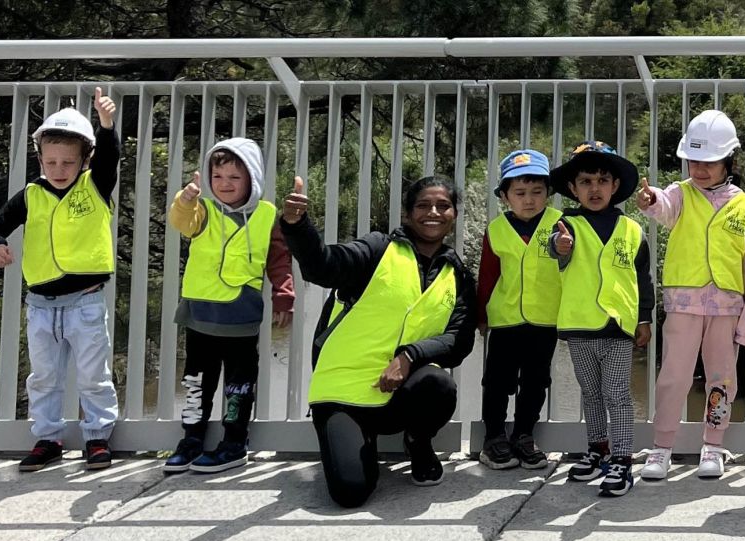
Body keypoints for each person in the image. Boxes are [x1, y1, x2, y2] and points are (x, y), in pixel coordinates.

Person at [280, 175, 476, 507]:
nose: (433, 212)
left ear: (454, 215)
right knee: (350, 493)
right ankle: (359, 442)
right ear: (407, 213)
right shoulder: (377, 249)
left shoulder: (457, 275)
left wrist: (410, 356)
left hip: (397, 395)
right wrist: (297, 226)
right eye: (423, 205)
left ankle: (417, 441)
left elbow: (459, 340)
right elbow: (323, 267)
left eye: (443, 206)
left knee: (439, 385)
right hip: (343, 393)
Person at [0, 91, 119, 471]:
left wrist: (106, 127)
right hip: (40, 306)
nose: (58, 168)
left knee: (93, 375)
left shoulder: (96, 186)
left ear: (83, 161)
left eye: (68, 162)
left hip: (86, 302)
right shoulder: (31, 194)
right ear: (40, 159)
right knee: (43, 378)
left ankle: (97, 437)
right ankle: (48, 438)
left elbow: (109, 159)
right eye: (51, 161)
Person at [636, 110, 745, 479]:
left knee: (721, 378)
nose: (700, 168)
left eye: (710, 161)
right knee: (674, 375)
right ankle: (661, 448)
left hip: (727, 307)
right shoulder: (681, 193)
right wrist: (649, 200)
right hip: (684, 303)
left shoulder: (744, 206)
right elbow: (663, 205)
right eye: (693, 160)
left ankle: (713, 443)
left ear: (729, 160)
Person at [162, 138, 294, 474]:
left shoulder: (267, 216)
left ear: (252, 179)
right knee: (196, 382)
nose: (225, 184)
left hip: (241, 316)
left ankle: (234, 442)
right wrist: (185, 198)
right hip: (201, 314)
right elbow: (182, 222)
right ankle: (191, 439)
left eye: (235, 178)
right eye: (218, 177)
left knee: (239, 383)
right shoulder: (202, 209)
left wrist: (284, 295)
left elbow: (279, 260)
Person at [548, 141, 654, 497]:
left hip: (619, 327)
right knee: (591, 394)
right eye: (586, 181)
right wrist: (558, 247)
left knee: (619, 394)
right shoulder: (567, 225)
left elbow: (643, 279)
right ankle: (598, 449)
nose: (595, 188)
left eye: (602, 180)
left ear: (615, 186)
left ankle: (623, 459)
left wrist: (644, 318)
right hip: (580, 325)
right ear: (574, 189)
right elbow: (556, 248)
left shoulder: (632, 230)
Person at [476, 149, 561, 471]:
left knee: (536, 380)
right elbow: (488, 275)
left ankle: (524, 435)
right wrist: (481, 314)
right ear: (505, 196)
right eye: (520, 193)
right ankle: (494, 437)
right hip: (506, 319)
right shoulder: (496, 230)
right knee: (497, 381)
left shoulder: (560, 224)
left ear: (548, 194)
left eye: (537, 192)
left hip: (545, 318)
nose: (530, 200)